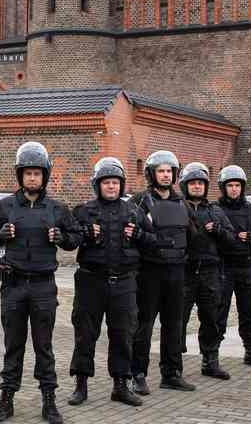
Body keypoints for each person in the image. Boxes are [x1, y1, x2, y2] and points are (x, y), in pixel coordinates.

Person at [0, 142, 82, 424]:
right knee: (13, 345)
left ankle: (49, 401)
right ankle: (6, 400)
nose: (32, 179)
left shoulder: (57, 208)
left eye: (37, 174)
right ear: (20, 176)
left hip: (43, 286)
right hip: (13, 284)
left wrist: (62, 238)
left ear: (45, 176)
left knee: (44, 346)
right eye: (27, 174)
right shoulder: (6, 206)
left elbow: (76, 238)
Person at [68, 157, 153, 408]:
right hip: (90, 282)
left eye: (115, 182)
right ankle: (80, 385)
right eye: (107, 183)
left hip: (124, 283)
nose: (112, 187)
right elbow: (69, 240)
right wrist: (85, 234)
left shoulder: (133, 211)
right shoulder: (83, 211)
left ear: (122, 185)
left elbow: (152, 240)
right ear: (98, 185)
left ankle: (120, 386)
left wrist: (138, 234)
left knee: (123, 334)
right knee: (85, 333)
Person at [130, 150, 192, 393]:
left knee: (174, 324)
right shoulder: (139, 201)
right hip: (150, 272)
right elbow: (131, 236)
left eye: (169, 171)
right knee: (144, 325)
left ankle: (172, 373)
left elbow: (190, 235)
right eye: (161, 171)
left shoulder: (181, 202)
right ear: (152, 174)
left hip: (177, 272)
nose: (165, 175)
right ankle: (138, 374)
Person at [178, 162, 238, 381]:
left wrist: (219, 230)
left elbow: (231, 240)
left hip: (210, 272)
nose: (196, 187)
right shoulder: (178, 207)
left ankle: (210, 360)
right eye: (192, 183)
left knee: (210, 318)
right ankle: (174, 365)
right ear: (185, 186)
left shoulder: (215, 211)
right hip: (185, 272)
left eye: (200, 184)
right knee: (178, 319)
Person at [215, 165, 251, 367]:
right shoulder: (216, 209)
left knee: (249, 311)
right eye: (230, 185)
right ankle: (213, 356)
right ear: (223, 187)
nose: (234, 189)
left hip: (247, 267)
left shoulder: (250, 209)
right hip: (224, 268)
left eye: (237, 185)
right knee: (220, 312)